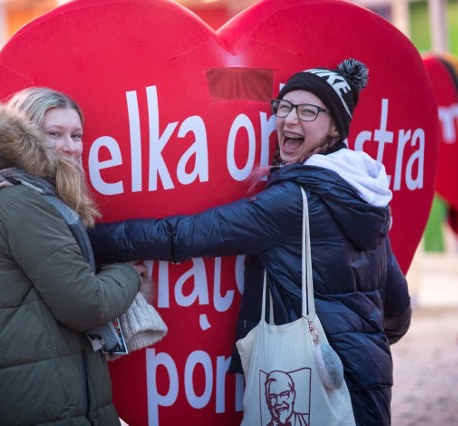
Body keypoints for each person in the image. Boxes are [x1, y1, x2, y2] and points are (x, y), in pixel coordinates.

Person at [88, 59, 412, 425]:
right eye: (285, 106)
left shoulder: (292, 202)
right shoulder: (365, 197)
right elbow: (398, 312)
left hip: (309, 381)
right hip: (366, 378)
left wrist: (89, 240)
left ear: (335, 128)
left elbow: (182, 235)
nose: (290, 119)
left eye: (308, 111)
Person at [0, 87, 145, 425]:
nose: (70, 146)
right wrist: (129, 275)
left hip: (36, 384)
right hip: (47, 398)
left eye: (76, 135)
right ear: (26, 137)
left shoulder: (5, 192)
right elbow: (85, 304)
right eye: (55, 134)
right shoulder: (22, 203)